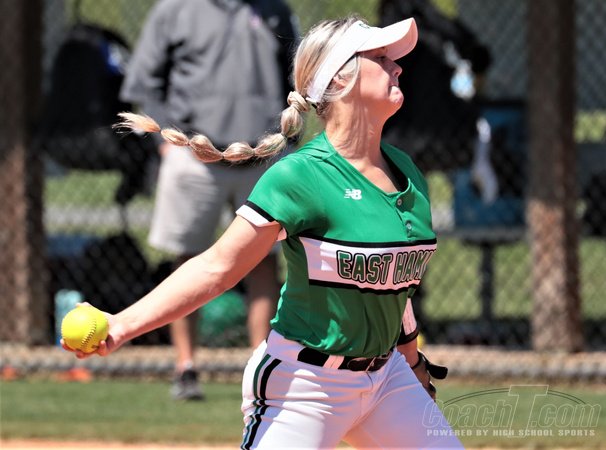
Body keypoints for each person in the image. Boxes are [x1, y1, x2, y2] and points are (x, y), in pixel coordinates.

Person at [65, 15, 463, 449]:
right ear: (340, 78)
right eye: (381, 58)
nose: (397, 66)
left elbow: (395, 285)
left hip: (388, 380)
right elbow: (217, 267)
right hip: (307, 386)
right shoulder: (302, 176)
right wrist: (121, 324)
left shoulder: (406, 172)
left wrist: (412, 363)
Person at [119, 0, 298, 400]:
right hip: (194, 155)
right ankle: (185, 368)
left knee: (263, 260)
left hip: (260, 156)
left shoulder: (274, 8)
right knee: (188, 259)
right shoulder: (175, 9)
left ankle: (260, 369)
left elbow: (296, 78)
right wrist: (166, 141)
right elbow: (144, 81)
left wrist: (289, 139)